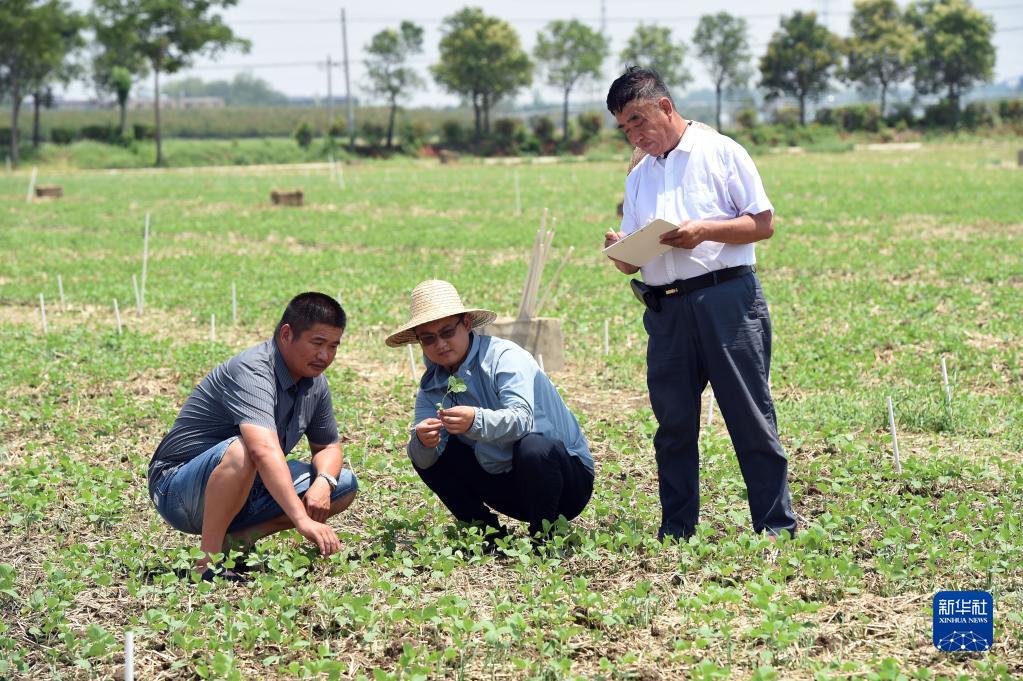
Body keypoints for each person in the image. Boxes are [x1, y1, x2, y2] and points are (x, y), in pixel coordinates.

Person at [603, 66, 797, 541]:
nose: (634, 133)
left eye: (638, 120)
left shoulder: (721, 151)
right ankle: (677, 530)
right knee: (673, 426)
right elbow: (635, 256)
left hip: (726, 300)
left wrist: (703, 229)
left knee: (749, 418)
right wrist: (622, 251)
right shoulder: (639, 177)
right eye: (624, 127)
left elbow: (763, 223)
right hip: (666, 310)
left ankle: (775, 528)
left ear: (665, 107)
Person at [148, 292, 358, 580]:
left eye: (333, 346)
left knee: (343, 484)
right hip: (178, 488)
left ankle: (236, 540)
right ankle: (207, 565)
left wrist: (324, 481)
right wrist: (301, 519)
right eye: (317, 343)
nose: (325, 356)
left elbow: (328, 446)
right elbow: (262, 450)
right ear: (286, 334)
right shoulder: (254, 370)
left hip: (245, 485)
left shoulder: (315, 383)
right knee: (244, 449)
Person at [385, 279, 594, 542]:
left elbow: (522, 420)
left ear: (467, 324)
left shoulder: (504, 357)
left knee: (533, 447)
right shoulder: (433, 386)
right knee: (422, 447)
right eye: (428, 339)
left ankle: (545, 536)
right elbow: (425, 459)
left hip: (564, 483)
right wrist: (424, 442)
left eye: (447, 332)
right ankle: (487, 534)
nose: (440, 344)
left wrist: (475, 419)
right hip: (508, 484)